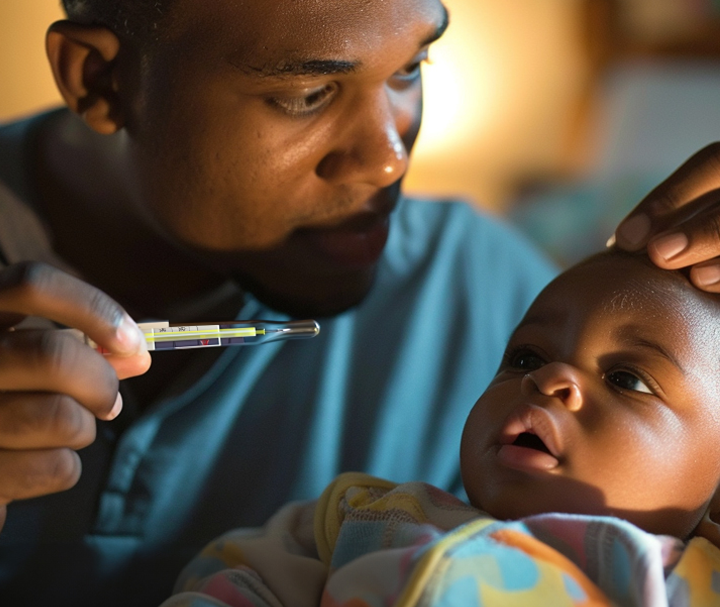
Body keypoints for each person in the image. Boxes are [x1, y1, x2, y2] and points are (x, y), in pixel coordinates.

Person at [1, 0, 720, 605]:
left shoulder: (484, 290)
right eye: (309, 92)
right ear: (101, 80)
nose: (388, 159)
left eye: (412, 67)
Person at [159, 249, 720, 606]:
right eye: (526, 358)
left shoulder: (691, 581)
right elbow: (237, 583)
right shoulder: (365, 517)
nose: (552, 379)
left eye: (627, 378)